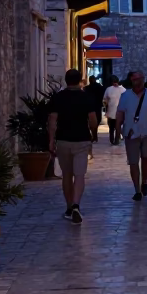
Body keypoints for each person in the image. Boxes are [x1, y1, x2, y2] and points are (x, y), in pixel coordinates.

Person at [47, 68, 99, 224]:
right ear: (80, 80)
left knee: (67, 175)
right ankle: (76, 204)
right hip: (82, 140)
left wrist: (51, 141)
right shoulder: (87, 98)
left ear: (65, 80)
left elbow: (52, 120)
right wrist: (94, 134)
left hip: (63, 140)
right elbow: (93, 120)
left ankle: (69, 207)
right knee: (80, 175)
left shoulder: (58, 98)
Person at [115, 70, 147, 201]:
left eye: (139, 79)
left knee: (146, 158)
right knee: (133, 162)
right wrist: (117, 130)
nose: (137, 81)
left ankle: (144, 182)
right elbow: (120, 114)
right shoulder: (125, 96)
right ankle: (137, 189)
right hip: (131, 133)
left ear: (143, 79)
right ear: (131, 81)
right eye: (135, 79)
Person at [103, 76, 124, 144]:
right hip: (111, 111)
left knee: (117, 127)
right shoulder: (109, 89)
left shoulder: (123, 89)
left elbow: (105, 99)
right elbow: (105, 99)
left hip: (118, 112)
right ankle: (113, 139)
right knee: (112, 127)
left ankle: (116, 139)